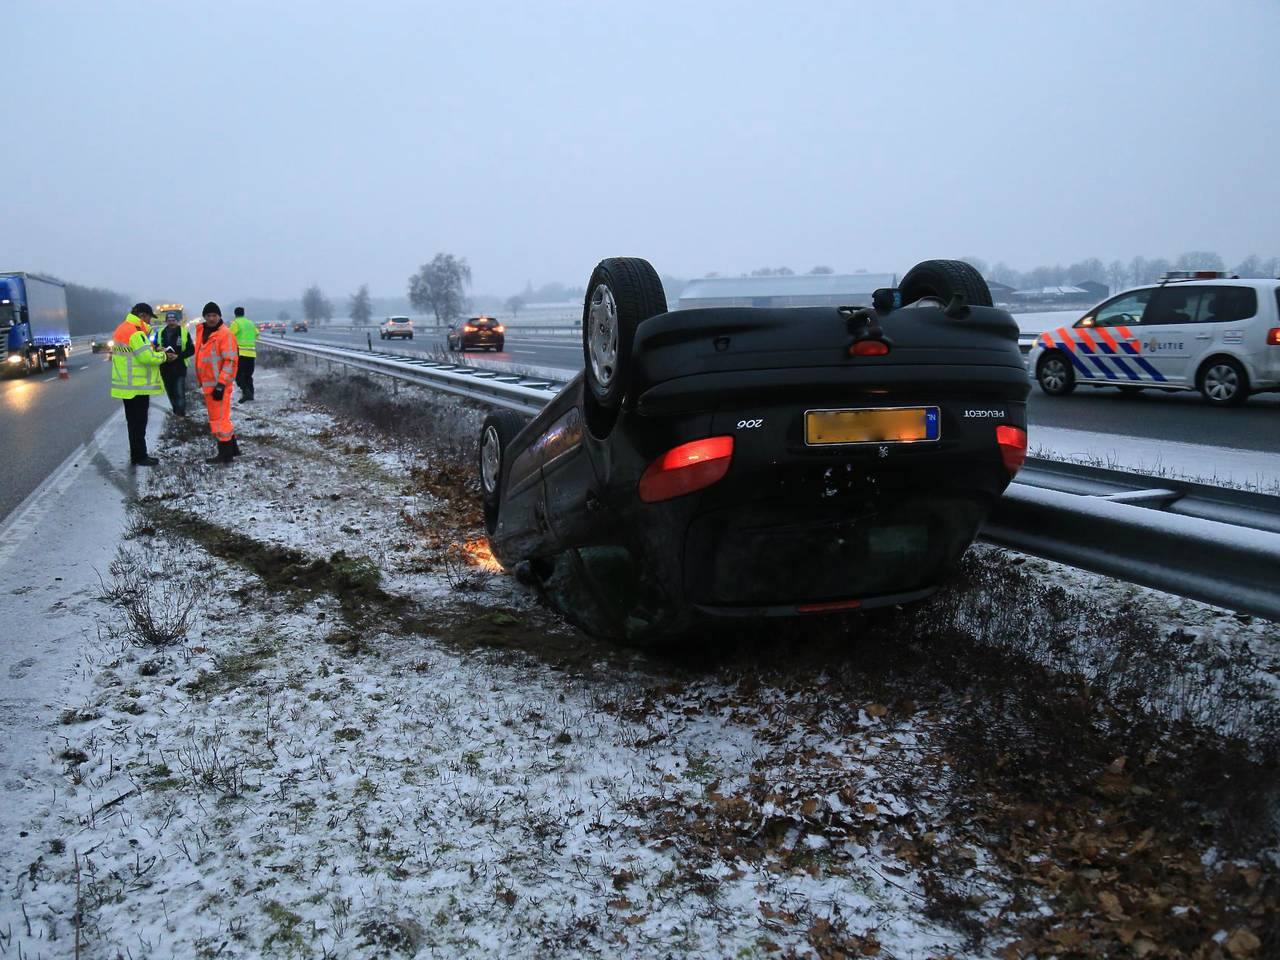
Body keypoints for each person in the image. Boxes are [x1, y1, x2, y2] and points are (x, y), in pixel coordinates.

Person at [110, 303, 170, 466]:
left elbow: (137, 353)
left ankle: (137, 455)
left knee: (133, 423)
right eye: (149, 318)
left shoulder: (122, 328)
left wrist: (155, 350)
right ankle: (140, 456)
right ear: (143, 316)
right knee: (139, 423)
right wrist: (164, 356)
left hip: (126, 384)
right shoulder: (135, 332)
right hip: (136, 386)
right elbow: (146, 358)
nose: (150, 322)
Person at [193, 302, 240, 464]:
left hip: (219, 386)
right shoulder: (202, 332)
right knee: (221, 417)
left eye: (214, 315)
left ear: (219, 316)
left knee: (219, 420)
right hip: (208, 385)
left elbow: (231, 361)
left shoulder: (225, 334)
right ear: (204, 317)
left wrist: (221, 384)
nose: (211, 318)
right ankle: (233, 449)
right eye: (208, 316)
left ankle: (225, 455)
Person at [156, 311, 195, 416]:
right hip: (165, 367)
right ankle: (175, 411)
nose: (171, 322)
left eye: (173, 320)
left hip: (179, 367)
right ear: (166, 321)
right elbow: (153, 347)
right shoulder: (160, 333)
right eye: (169, 320)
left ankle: (181, 413)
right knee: (170, 392)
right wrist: (157, 348)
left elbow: (191, 350)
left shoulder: (183, 332)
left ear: (177, 321)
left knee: (179, 392)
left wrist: (178, 356)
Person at [229, 306, 258, 401]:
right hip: (252, 353)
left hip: (240, 352)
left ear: (235, 314)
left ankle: (246, 392)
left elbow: (229, 335)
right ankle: (251, 394)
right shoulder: (250, 323)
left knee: (239, 374)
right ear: (243, 313)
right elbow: (257, 334)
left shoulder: (236, 323)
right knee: (248, 374)